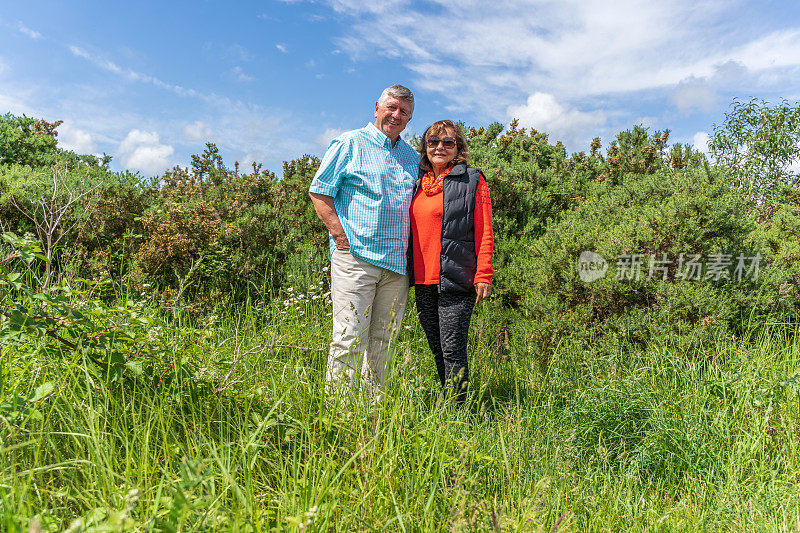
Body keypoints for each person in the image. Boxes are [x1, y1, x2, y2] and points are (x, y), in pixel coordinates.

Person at [309, 84, 419, 402]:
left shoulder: (411, 157)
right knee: (349, 337)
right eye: (391, 107)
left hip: (397, 268)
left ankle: (373, 410)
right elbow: (319, 191)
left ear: (409, 119)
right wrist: (339, 236)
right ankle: (338, 414)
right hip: (355, 257)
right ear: (376, 107)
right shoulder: (349, 143)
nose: (396, 115)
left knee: (384, 340)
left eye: (404, 112)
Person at [408, 120, 494, 406]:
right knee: (437, 349)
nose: (439, 147)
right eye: (433, 142)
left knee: (453, 350)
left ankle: (459, 416)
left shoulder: (473, 180)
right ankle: (450, 405)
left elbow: (484, 231)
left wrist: (484, 274)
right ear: (425, 147)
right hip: (422, 281)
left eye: (447, 142)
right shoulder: (416, 181)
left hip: (456, 279)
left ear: (458, 148)